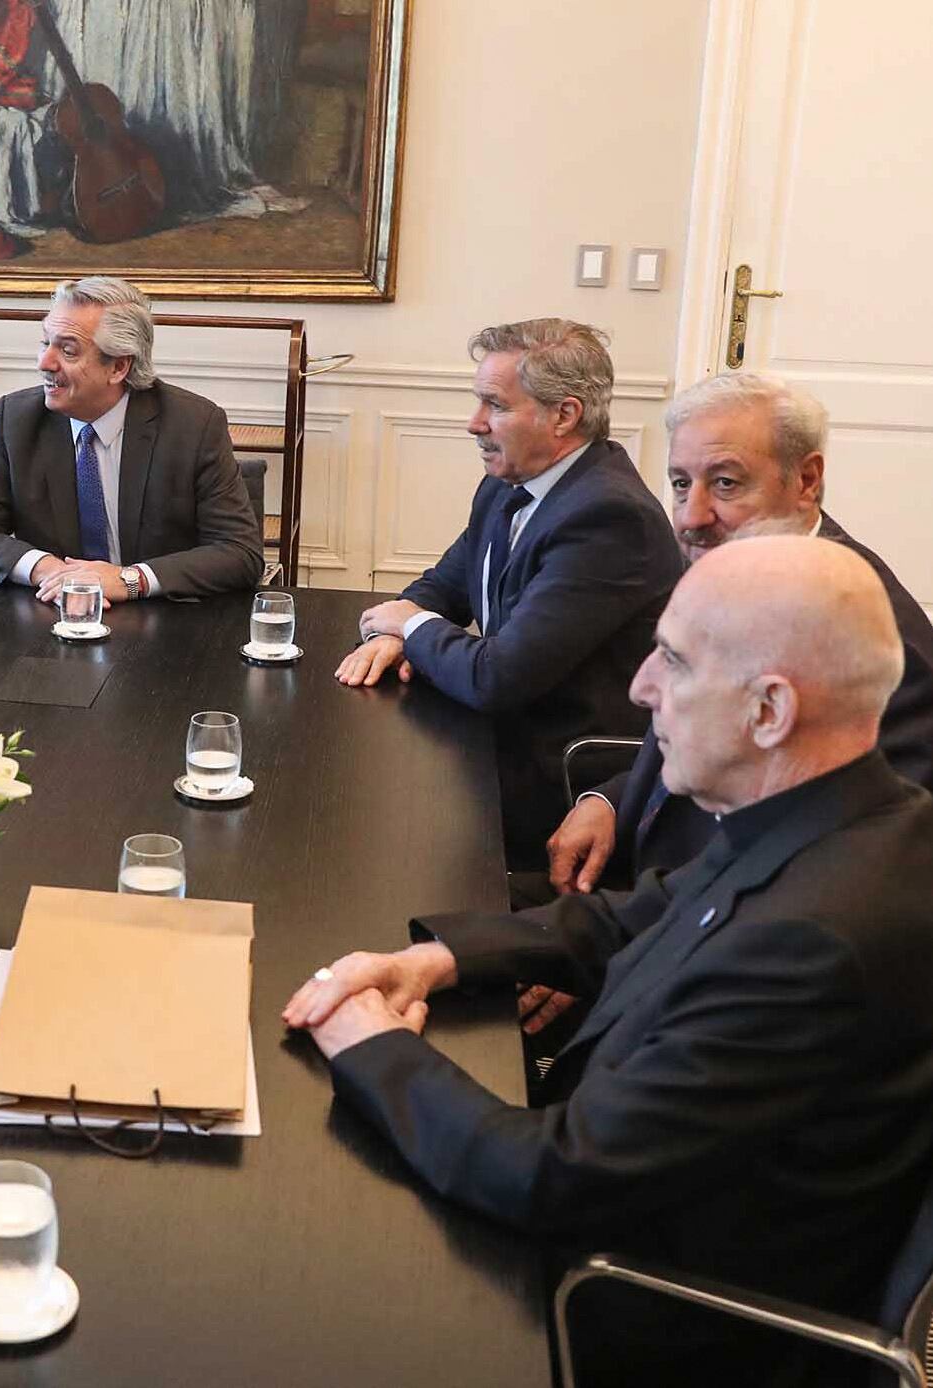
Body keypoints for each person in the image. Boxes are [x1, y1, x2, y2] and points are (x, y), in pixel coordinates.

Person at [287, 535, 933, 1387]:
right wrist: (443, 960)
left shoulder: (816, 942)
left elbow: (553, 1177)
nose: (639, 687)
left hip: (647, 1317)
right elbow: (650, 911)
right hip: (649, 1199)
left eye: (671, 659)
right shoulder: (847, 817)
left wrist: (369, 1041)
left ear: (770, 711)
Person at [545, 370, 933, 896]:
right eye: (681, 483)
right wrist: (612, 799)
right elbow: (710, 729)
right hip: (638, 876)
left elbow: (833, 870)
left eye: (726, 483)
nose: (691, 516)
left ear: (806, 481)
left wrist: (617, 961)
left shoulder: (874, 643)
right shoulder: (739, 561)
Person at [336, 319, 682, 868]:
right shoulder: (509, 482)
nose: (474, 424)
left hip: (561, 780)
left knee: (358, 830)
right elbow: (447, 582)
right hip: (497, 738)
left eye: (494, 405)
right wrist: (399, 628)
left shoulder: (609, 517)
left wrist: (411, 627)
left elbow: (497, 677)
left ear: (564, 415)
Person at [0, 276, 263, 604]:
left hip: (163, 628)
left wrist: (130, 579)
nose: (44, 363)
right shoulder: (19, 419)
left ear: (119, 366)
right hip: (54, 620)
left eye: (67, 350)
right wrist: (46, 568)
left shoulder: (193, 425)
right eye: (45, 342)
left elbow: (240, 553)